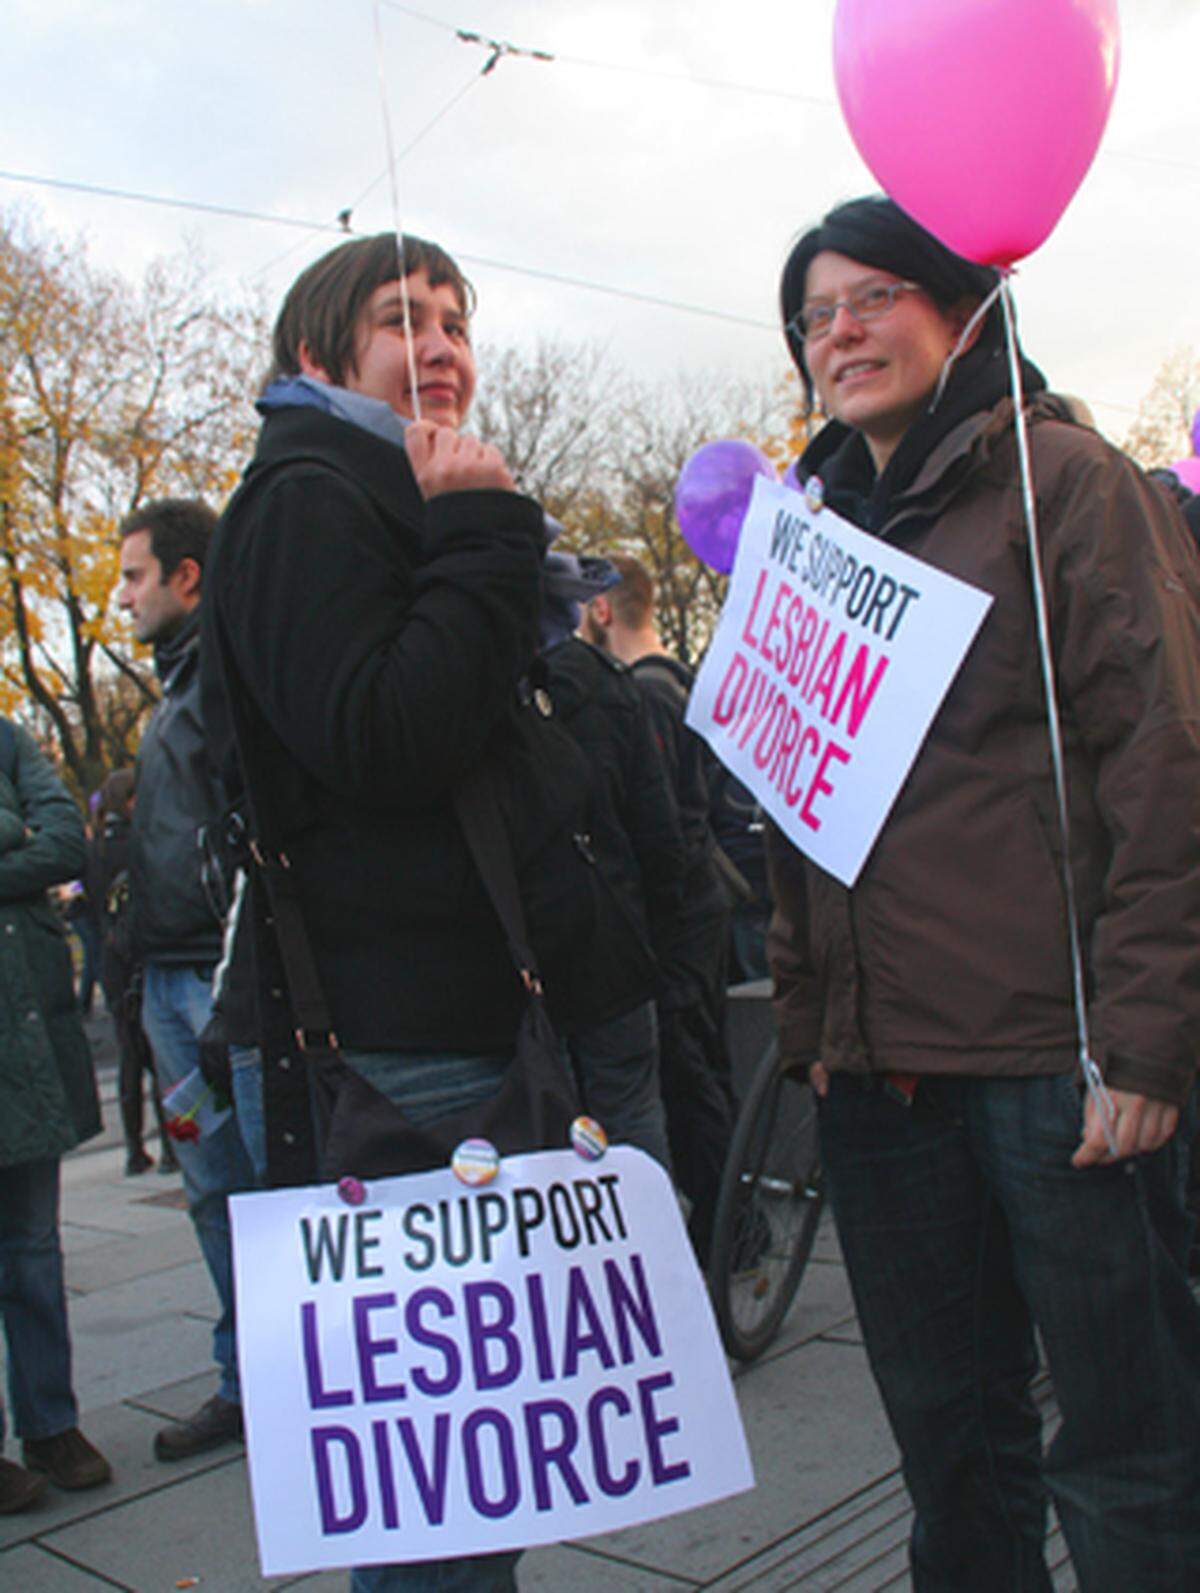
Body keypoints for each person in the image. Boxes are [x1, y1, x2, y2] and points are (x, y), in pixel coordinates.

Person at [768, 195, 1200, 1591]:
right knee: (953, 1449)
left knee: (1129, 1449)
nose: (841, 330)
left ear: (961, 308)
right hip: (882, 1084)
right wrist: (811, 1025)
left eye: (874, 294)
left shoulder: (1069, 483)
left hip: (1053, 1074)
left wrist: (1145, 1041)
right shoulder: (812, 531)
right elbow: (794, 804)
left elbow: (1168, 766)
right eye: (815, 313)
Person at [201, 232, 632, 1593]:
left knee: (482, 1466)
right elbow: (387, 734)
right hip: (417, 1049)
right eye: (404, 318)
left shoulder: (379, 488)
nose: (441, 343)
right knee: (443, 1500)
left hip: (476, 1019)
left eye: (455, 318)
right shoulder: (306, 500)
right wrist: (486, 537)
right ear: (321, 354)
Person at [117, 499, 258, 1462]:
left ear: (186, 576)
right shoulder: (174, 686)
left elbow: (251, 835)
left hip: (218, 978)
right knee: (211, 1187)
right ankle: (246, 1379)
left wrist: (230, 978)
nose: (121, 594)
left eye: (134, 575)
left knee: (253, 1184)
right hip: (169, 980)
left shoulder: (222, 680)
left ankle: (282, 1379)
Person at [583, 555, 735, 1263]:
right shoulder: (680, 681)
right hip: (703, 903)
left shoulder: (642, 694)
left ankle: (727, 1228)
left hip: (678, 914)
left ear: (602, 610)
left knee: (686, 1072)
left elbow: (664, 823)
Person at [0, 719, 111, 1511]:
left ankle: (50, 1423)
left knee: (34, 1246)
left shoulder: (6, 738)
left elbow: (68, 840)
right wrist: (10, 831)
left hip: (26, 1034)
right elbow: (37, 840)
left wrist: (25, 832)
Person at [87, 768, 175, 1176]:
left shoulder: (96, 849)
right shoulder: (140, 843)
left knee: (128, 1055)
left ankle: (133, 1147)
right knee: (158, 1055)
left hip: (112, 958)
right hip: (141, 952)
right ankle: (172, 1145)